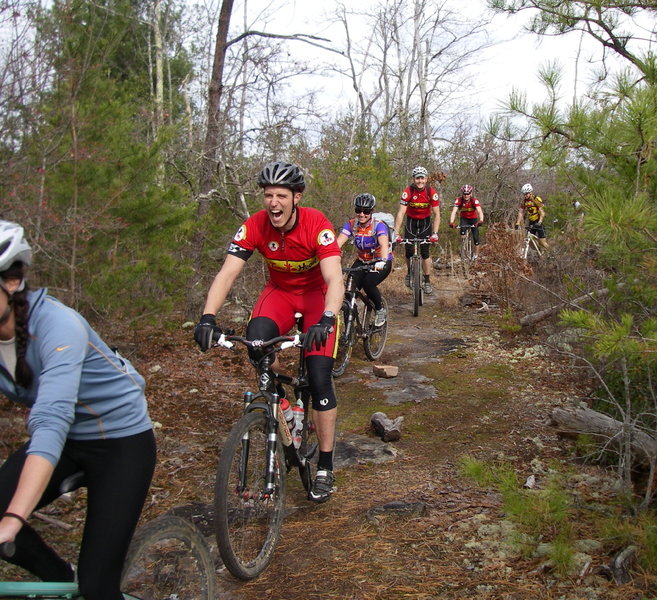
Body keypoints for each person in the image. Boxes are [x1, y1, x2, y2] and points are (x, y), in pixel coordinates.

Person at [0, 221, 156, 599]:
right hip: (67, 440)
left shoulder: (57, 325)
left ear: (11, 282)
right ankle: (58, 578)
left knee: (98, 586)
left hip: (121, 442)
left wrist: (13, 520)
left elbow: (51, 422)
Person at [193, 161, 344, 504]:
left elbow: (335, 278)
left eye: (280, 195)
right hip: (278, 294)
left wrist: (329, 317)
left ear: (296, 198)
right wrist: (207, 318)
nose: (273, 203)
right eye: (267, 195)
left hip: (317, 298)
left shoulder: (316, 224)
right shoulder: (255, 225)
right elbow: (227, 273)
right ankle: (286, 404)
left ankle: (325, 465)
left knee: (320, 376)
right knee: (256, 345)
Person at [336, 193, 392, 327]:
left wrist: (382, 261)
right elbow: (338, 243)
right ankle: (350, 327)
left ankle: (380, 310)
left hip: (380, 261)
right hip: (362, 261)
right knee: (349, 291)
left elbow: (384, 244)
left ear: (371, 211)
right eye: (358, 210)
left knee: (368, 284)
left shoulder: (379, 225)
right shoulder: (351, 225)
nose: (361, 214)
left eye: (365, 211)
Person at [394, 166, 441, 294]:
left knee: (425, 252)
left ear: (426, 179)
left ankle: (427, 281)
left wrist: (435, 233)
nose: (420, 181)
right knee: (408, 250)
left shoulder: (431, 192)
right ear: (414, 179)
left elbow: (437, 215)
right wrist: (396, 233)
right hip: (411, 222)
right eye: (417, 178)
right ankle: (409, 273)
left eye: (422, 178)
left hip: (425, 223)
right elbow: (400, 213)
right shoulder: (408, 191)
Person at [448, 184, 484, 259]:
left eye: (468, 194)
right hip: (464, 219)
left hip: (473, 219)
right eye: (464, 194)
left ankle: (476, 255)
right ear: (462, 193)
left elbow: (480, 211)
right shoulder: (459, 200)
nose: (466, 196)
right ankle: (463, 248)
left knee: (476, 238)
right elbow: (454, 212)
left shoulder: (474, 200)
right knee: (462, 233)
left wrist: (481, 220)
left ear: (471, 193)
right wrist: (451, 222)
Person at [515, 183, 549, 250]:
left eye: (526, 194)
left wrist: (539, 222)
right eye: (524, 194)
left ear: (530, 192)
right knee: (530, 241)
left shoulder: (536, 199)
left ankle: (552, 254)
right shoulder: (524, 202)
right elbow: (520, 212)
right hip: (531, 222)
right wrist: (517, 223)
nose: (525, 196)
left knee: (542, 242)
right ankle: (540, 253)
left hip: (539, 222)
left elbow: (542, 212)